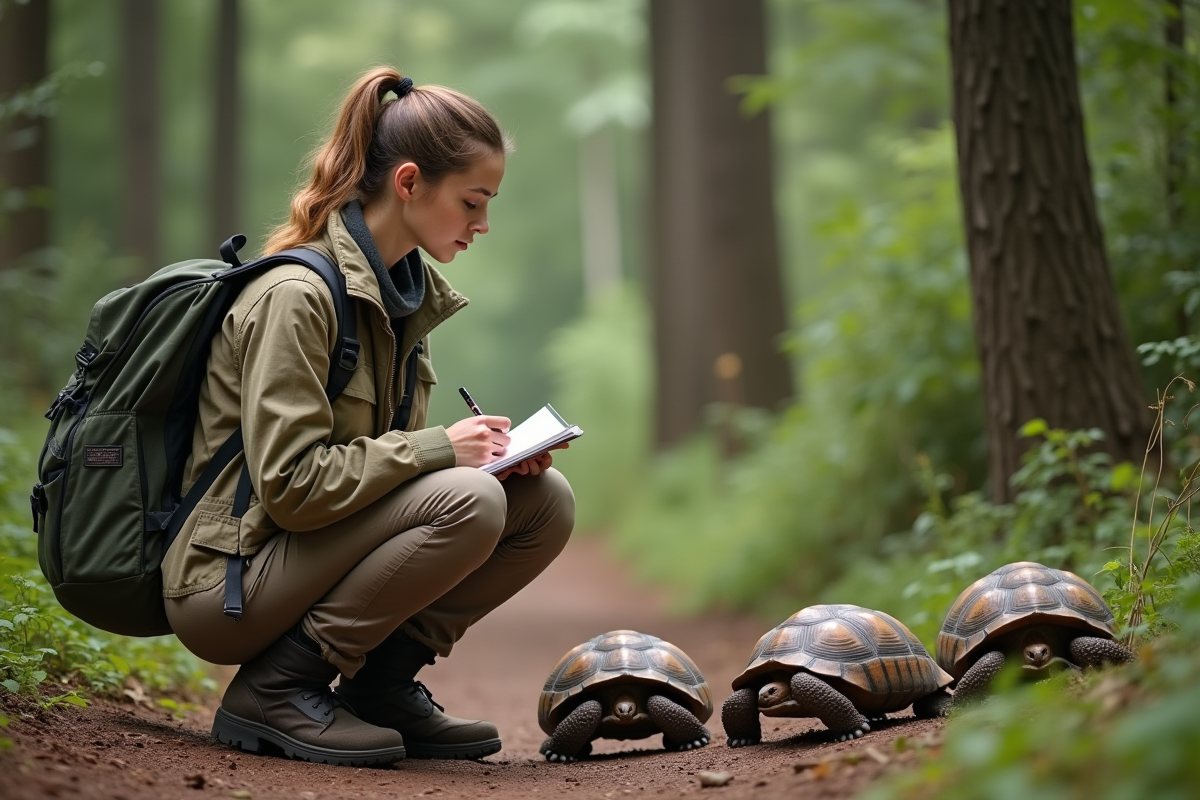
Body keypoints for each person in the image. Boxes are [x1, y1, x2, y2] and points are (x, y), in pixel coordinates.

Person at [160, 67, 575, 766]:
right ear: (409, 182)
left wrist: (495, 462)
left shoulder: (403, 300)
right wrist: (440, 450)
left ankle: (379, 686)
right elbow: (292, 488)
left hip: (301, 557)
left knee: (542, 501)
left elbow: (378, 480)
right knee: (468, 500)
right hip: (227, 580)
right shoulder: (297, 295)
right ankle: (279, 687)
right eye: (472, 201)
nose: (483, 224)